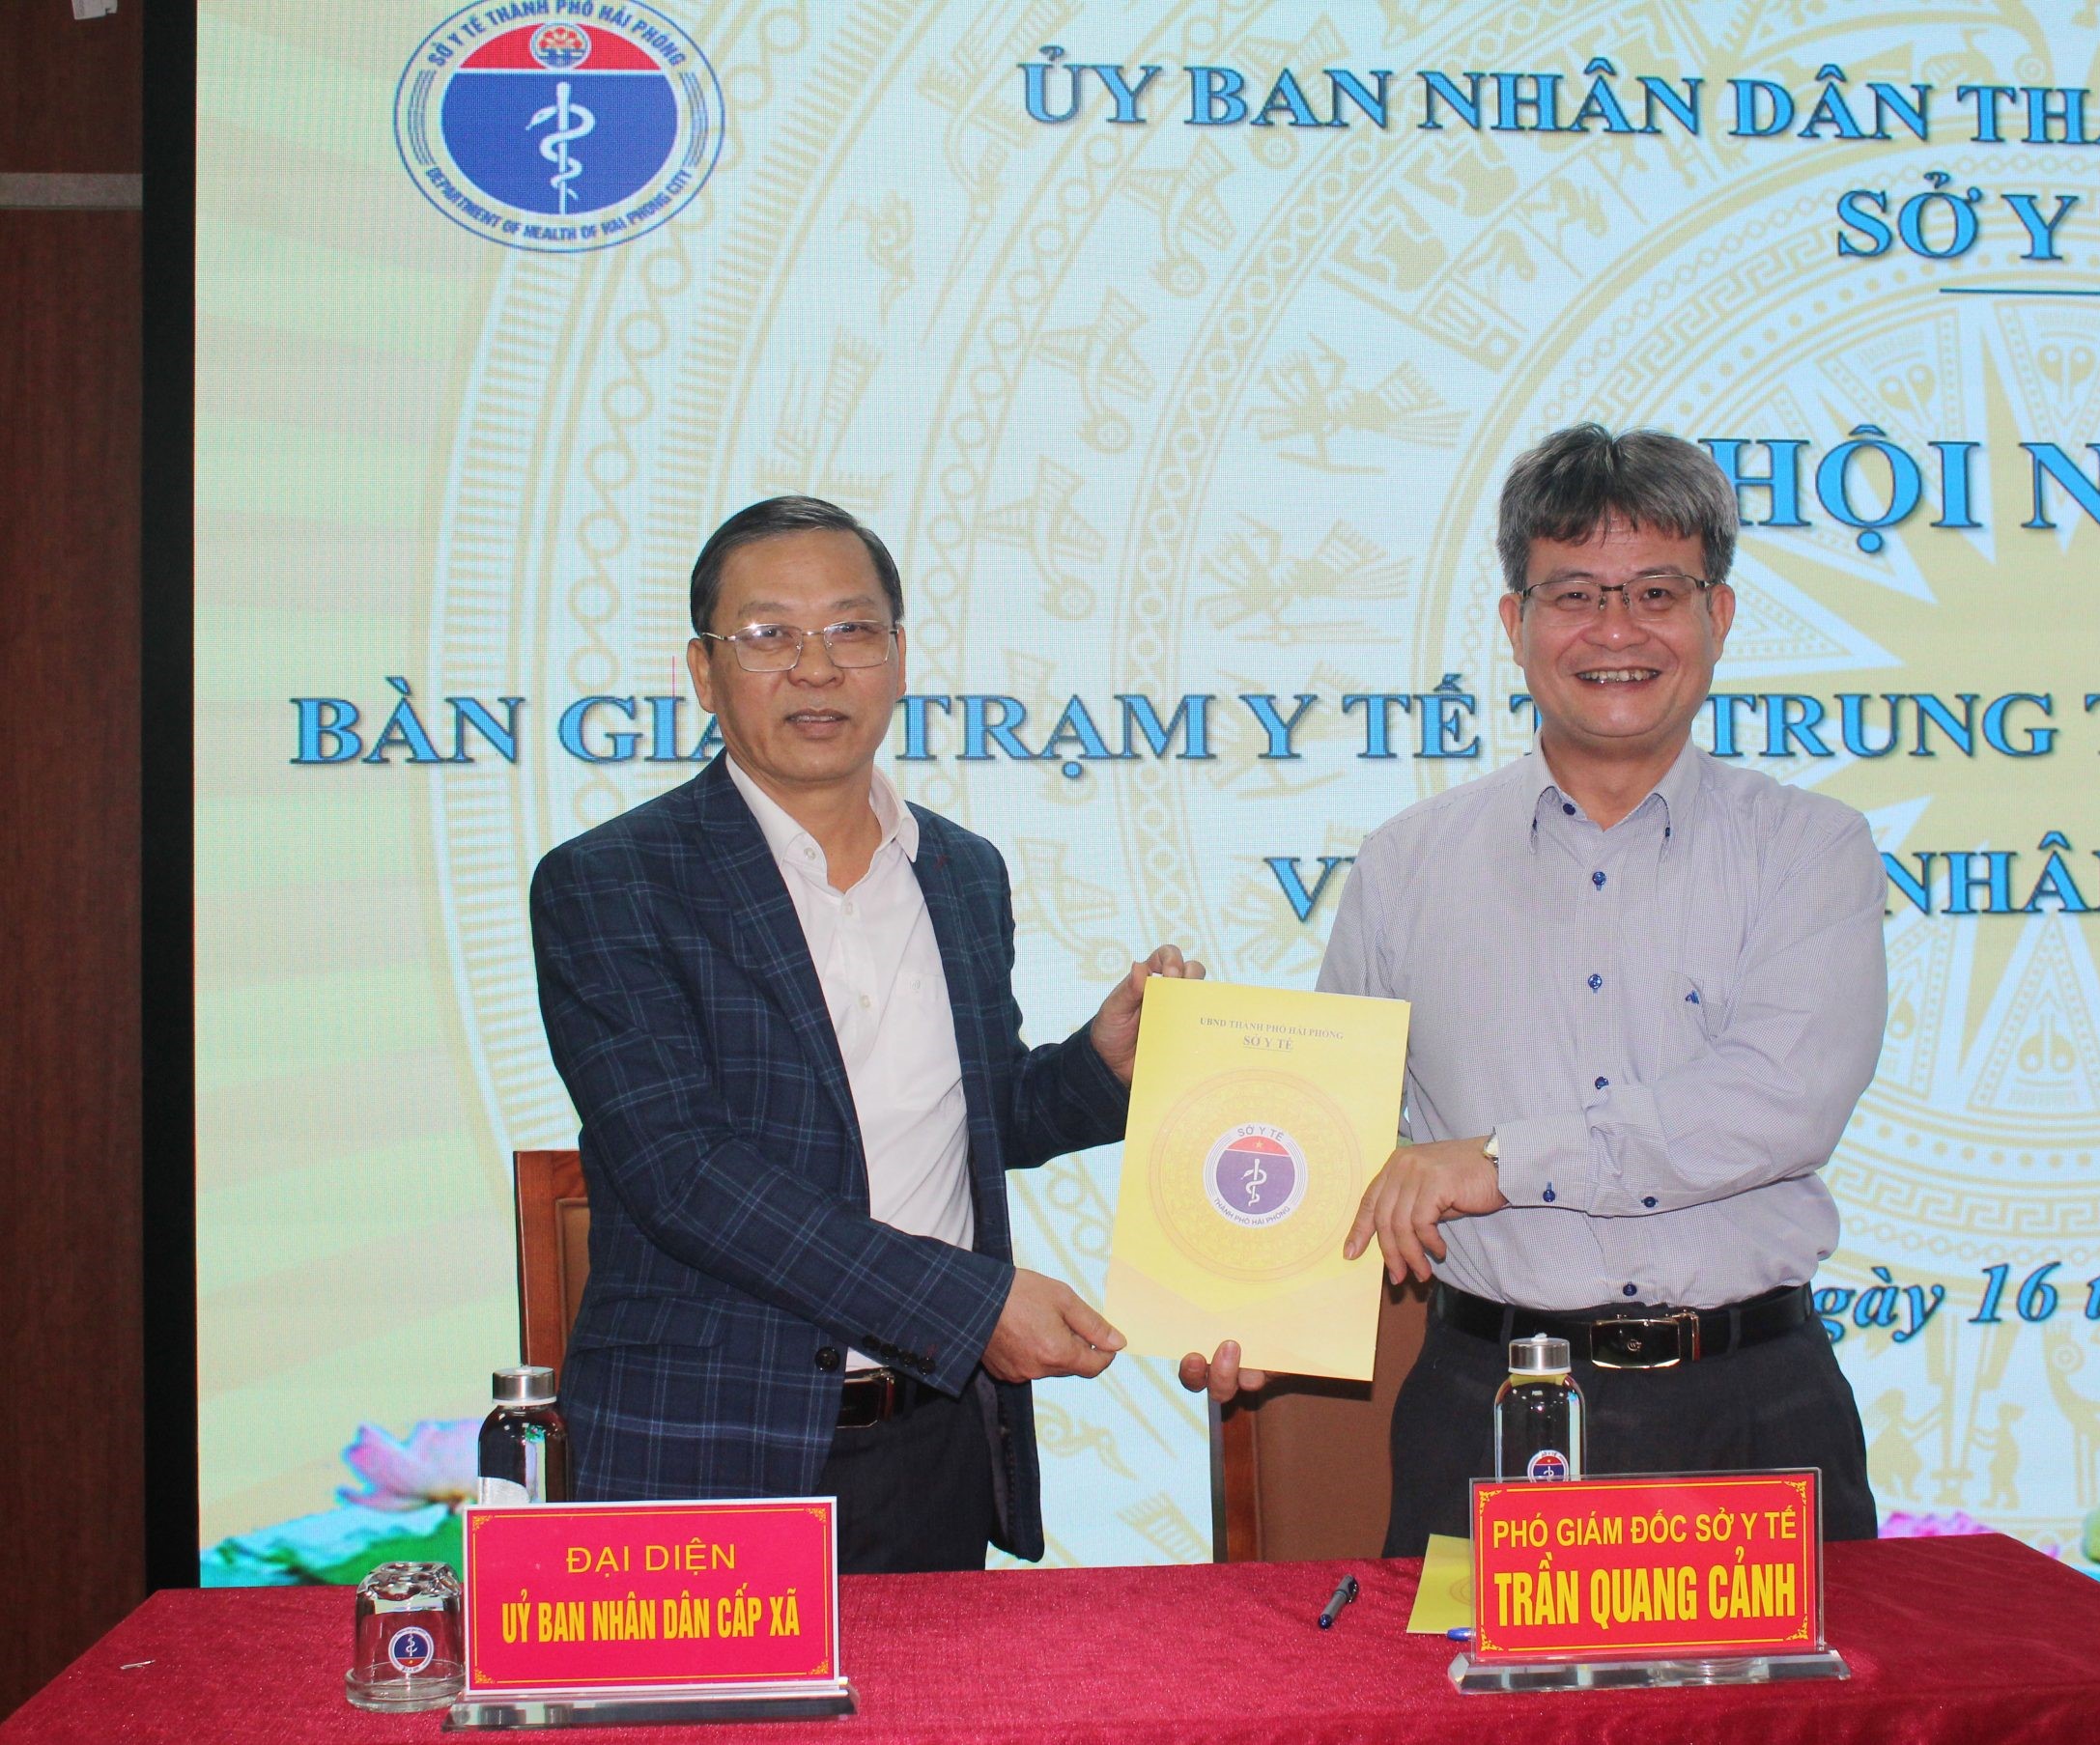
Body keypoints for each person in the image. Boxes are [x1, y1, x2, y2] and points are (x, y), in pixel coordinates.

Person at [1181, 425, 1886, 1549]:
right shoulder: (1406, 863)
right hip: (1485, 1410)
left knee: (1795, 1681)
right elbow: (1331, 1134)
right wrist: (1258, 1298)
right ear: (1514, 624)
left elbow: (1776, 1105)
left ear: (1718, 615)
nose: (1617, 630)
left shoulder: (1812, 849)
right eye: (1574, 595)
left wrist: (1500, 1161)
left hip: (1751, 1413)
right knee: (1461, 1679)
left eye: (1657, 591)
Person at [533, 495, 1202, 1571]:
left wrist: (1100, 1068)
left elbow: (973, 1109)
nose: (815, 668)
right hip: (710, 1449)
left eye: (851, 630)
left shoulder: (961, 871)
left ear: (896, 659)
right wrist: (971, 1305)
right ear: (703, 671)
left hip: (933, 1442)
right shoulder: (610, 883)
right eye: (769, 634)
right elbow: (684, 1175)